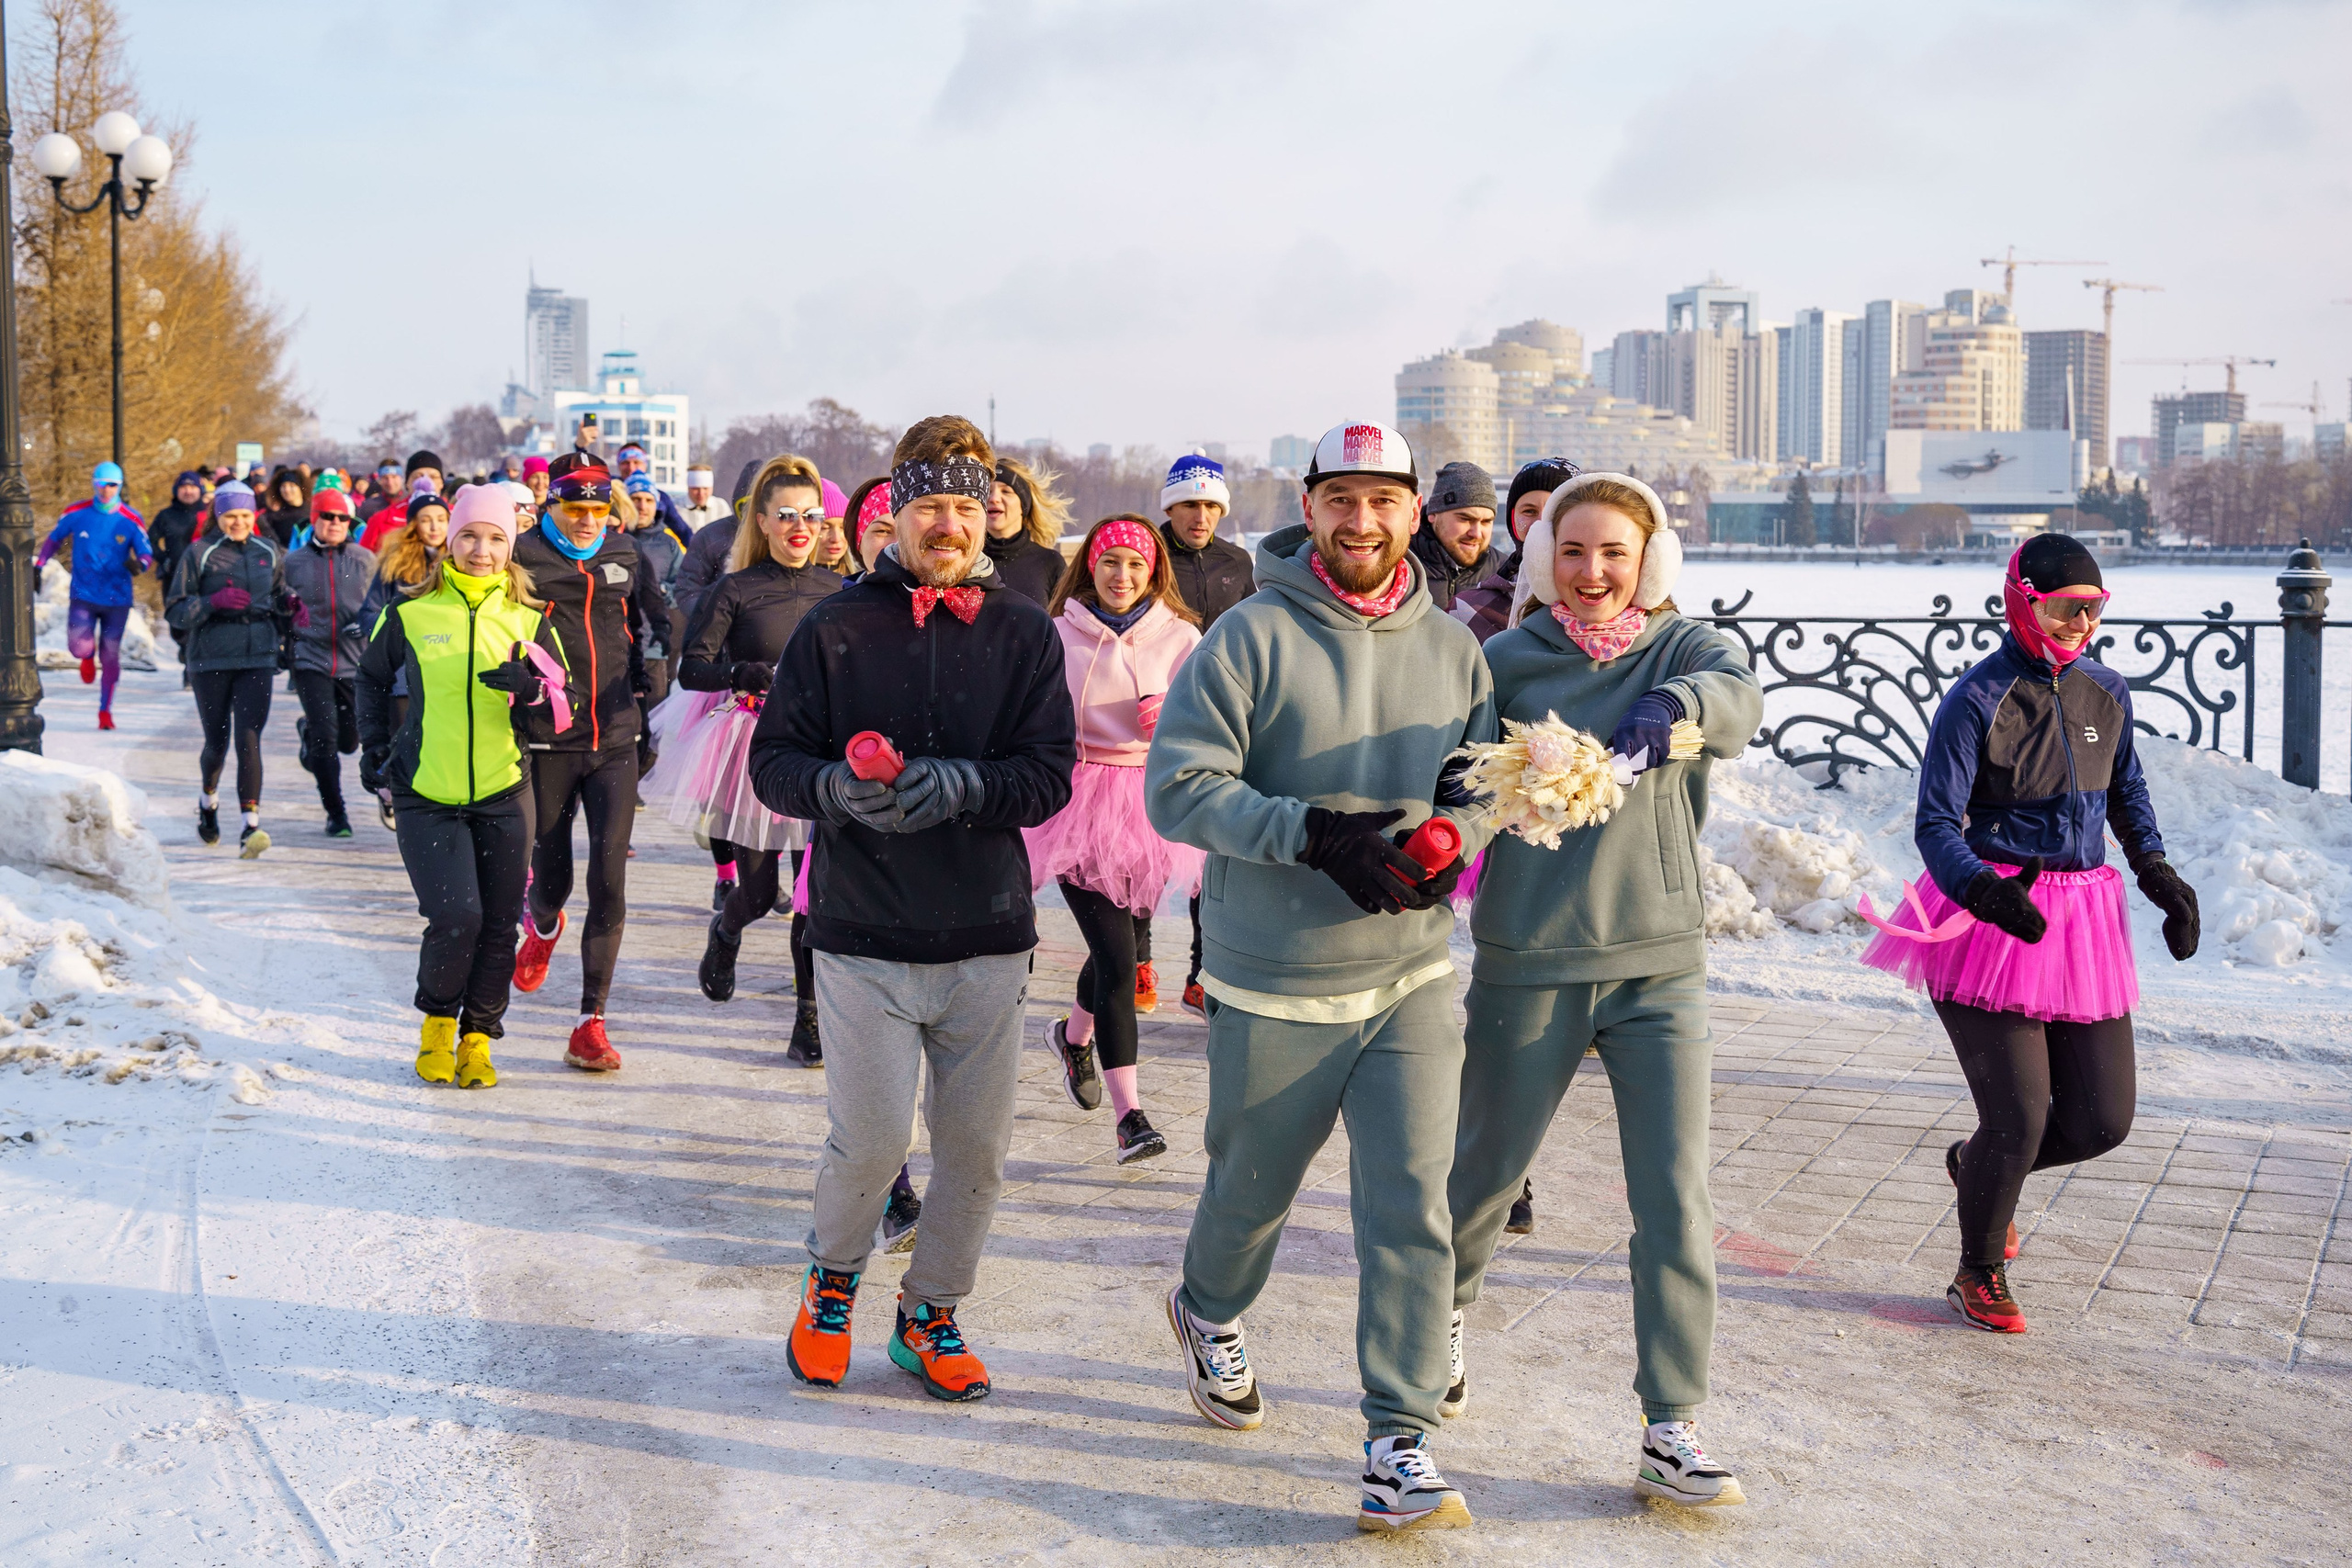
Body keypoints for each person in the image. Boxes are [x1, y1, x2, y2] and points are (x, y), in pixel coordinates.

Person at [1146, 420, 1491, 1532]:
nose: (1362, 521)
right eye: (1340, 500)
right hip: (1273, 975)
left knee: (1410, 1209)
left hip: (1407, 976)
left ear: (1410, 512)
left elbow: (1480, 783)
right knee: (1252, 1196)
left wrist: (1451, 840)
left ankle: (1398, 1442)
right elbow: (1179, 791)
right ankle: (1207, 1309)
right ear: (1310, 507)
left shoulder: (1452, 648)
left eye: (1382, 500)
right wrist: (1313, 833)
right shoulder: (1247, 636)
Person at [1446, 471, 1761, 1510]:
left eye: (1613, 554)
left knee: (1674, 1198)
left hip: (1657, 962)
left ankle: (1671, 1422)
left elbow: (1733, 695)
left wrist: (1664, 714)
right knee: (1483, 1180)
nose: (1591, 573)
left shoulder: (1682, 648)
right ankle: (1438, 1323)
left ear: (1649, 561)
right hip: (1530, 957)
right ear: (1542, 560)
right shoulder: (1501, 659)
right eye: (1571, 552)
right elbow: (1448, 771)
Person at [748, 414, 1075, 1404]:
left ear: (988, 520)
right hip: (862, 934)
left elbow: (1049, 775)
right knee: (875, 1140)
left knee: (976, 1151)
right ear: (891, 514)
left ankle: (930, 1311)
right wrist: (836, 792)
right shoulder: (836, 625)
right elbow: (773, 764)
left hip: (985, 933)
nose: (947, 524)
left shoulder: (1022, 629)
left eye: (965, 508)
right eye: (928, 505)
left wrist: (968, 786)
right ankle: (832, 1282)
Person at [1859, 534, 2198, 1334]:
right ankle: (1979, 1269)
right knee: (2019, 1116)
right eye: (2065, 606)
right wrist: (1981, 887)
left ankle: (1976, 1169)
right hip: (1986, 918)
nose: (2080, 622)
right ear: (2022, 599)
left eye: (2093, 608)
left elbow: (2128, 793)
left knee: (2101, 1120)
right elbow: (1936, 825)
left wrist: (2159, 875)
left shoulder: (2105, 692)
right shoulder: (1976, 701)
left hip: (2081, 923)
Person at [360, 485, 575, 1091]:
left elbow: (566, 712)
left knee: (501, 923)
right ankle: (436, 1026)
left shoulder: (531, 621)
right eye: (470, 536)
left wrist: (531, 692)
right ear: (449, 541)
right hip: (427, 792)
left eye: (496, 538)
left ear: (511, 548)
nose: (482, 549)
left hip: (506, 793)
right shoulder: (408, 613)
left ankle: (478, 1039)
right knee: (456, 916)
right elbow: (370, 680)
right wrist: (376, 748)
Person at [1028, 515, 1202, 1162]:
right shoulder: (1058, 634)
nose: (1122, 576)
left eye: (1135, 565)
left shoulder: (1183, 636)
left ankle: (1073, 1037)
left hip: (1151, 802)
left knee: (1121, 948)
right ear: (1089, 569)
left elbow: (1209, 715)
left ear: (1153, 570)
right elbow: (1033, 712)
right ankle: (1131, 1115)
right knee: (1119, 961)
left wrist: (1174, 720)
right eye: (1109, 564)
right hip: (1078, 802)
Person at [1445, 456, 1577, 1236]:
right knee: (1504, 1001)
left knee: (1557, 1011)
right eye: (1527, 509)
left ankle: (1506, 1157)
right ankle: (1505, 1172)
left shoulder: (1614, 606)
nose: (1537, 522)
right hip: (1498, 825)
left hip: (1577, 821)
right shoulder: (1482, 605)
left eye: (1552, 509)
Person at [673, 457, 842, 1066]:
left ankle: (808, 1022)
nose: (801, 526)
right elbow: (691, 668)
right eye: (787, 515)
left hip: (819, 752)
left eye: (812, 515)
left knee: (810, 895)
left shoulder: (836, 589)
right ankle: (726, 931)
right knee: (761, 887)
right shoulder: (734, 589)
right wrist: (736, 672)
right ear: (763, 521)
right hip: (752, 749)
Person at [512, 452, 668, 1073]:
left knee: (609, 879)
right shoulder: (521, 556)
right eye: (575, 507)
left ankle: (589, 1022)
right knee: (551, 883)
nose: (586, 519)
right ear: (551, 504)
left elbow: (659, 619)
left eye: (598, 507)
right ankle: (544, 927)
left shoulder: (627, 553)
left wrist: (652, 680)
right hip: (550, 739)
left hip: (615, 739)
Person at [1155, 453, 1254, 1018]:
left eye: (1212, 505)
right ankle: (1139, 956)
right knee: (1142, 847)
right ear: (1171, 506)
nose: (1201, 515)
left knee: (1207, 843)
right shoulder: (1153, 554)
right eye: (1190, 504)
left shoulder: (1236, 561)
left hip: (1223, 710)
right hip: (1152, 711)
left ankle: (1200, 970)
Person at [165, 481, 288, 856]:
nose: (238, 523)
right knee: (217, 745)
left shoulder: (269, 551)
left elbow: (281, 597)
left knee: (248, 740)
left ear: (255, 516)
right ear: (218, 516)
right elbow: (175, 610)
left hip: (258, 656)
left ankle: (250, 827)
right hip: (211, 659)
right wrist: (211, 602)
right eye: (231, 516)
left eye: (246, 516)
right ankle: (208, 800)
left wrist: (290, 608)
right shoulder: (200, 553)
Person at [282, 489, 376, 836]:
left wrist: (368, 621)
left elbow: (383, 604)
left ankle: (307, 735)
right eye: (328, 517)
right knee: (325, 737)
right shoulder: (293, 563)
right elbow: (280, 602)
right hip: (311, 659)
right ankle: (336, 813)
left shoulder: (365, 560)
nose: (335, 523)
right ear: (314, 520)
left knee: (349, 741)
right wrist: (288, 610)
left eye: (342, 518)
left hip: (355, 662)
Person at [37, 460, 151, 729]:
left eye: (112, 485)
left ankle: (105, 710)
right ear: (94, 484)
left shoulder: (131, 519)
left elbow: (146, 553)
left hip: (117, 598)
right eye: (101, 484)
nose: (106, 490)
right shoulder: (77, 512)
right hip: (84, 594)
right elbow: (54, 538)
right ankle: (87, 658)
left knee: (110, 657)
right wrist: (39, 564)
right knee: (79, 648)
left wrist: (140, 565)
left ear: (120, 486)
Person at [1452, 457, 1578, 643]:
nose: (1540, 523)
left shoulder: (1600, 599)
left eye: (1556, 511)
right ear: (1512, 520)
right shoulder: (1469, 609)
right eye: (1529, 511)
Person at [625, 472, 687, 780]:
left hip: (654, 643)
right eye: (636, 499)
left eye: (648, 500)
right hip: (621, 642)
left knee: (655, 716)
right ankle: (625, 780)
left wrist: (658, 590)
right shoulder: (617, 541)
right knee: (623, 717)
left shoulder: (669, 545)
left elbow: (682, 586)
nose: (642, 506)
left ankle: (640, 771)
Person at [673, 458, 759, 632]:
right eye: (695, 489)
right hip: (717, 626)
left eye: (705, 489)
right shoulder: (709, 534)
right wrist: (713, 618)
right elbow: (687, 587)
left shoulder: (784, 537)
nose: (700, 494)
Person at [1409, 462, 1499, 614]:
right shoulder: (1399, 563)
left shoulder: (1502, 575)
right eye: (1465, 519)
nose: (1476, 533)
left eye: (1486, 522)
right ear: (1433, 514)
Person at [982, 456, 1069, 604]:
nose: (994, 498)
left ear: (1023, 505)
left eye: (1006, 491)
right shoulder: (967, 561)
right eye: (987, 491)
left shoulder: (1050, 562)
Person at [359, 449, 447, 552]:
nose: (427, 482)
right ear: (407, 483)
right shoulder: (381, 519)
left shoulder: (456, 515)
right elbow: (362, 561)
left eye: (433, 477)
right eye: (418, 477)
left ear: (442, 483)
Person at [148, 470, 209, 611]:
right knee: (177, 623)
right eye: (183, 487)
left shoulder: (209, 515)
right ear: (176, 491)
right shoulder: (166, 515)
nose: (188, 491)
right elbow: (150, 541)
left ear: (200, 490)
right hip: (174, 576)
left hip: (203, 578)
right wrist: (164, 559)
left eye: (193, 488)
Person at [614, 442, 691, 545]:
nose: (631, 468)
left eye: (636, 462)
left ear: (645, 465)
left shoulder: (661, 497)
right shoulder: (609, 492)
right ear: (619, 465)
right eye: (625, 463)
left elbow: (682, 530)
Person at [844, 479, 894, 578]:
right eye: (882, 531)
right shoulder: (830, 590)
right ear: (858, 542)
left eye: (905, 533)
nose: (896, 544)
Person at [262, 467, 311, 548]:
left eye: (291, 485)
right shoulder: (275, 516)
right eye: (283, 486)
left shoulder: (311, 512)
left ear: (300, 487)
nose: (287, 490)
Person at [680, 465, 729, 531]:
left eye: (705, 488)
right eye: (696, 489)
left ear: (712, 488)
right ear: (688, 488)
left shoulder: (721, 506)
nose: (701, 493)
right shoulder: (676, 508)